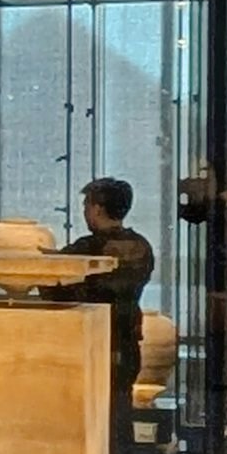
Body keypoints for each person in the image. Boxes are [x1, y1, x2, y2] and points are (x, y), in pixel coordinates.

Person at [60, 177, 157, 424]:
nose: (85, 213)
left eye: (86, 206)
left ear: (97, 209)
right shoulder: (141, 246)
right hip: (128, 341)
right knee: (120, 413)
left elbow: (58, 286)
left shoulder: (87, 248)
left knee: (92, 420)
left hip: (93, 342)